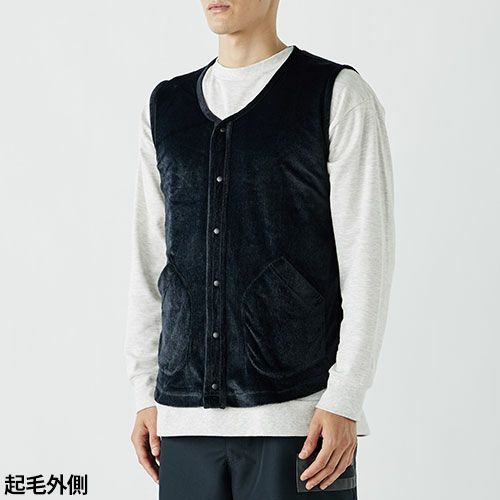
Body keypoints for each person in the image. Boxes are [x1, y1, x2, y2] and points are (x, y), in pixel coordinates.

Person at [124, 1, 395, 498]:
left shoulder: (335, 94)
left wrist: (345, 397)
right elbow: (150, 258)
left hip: (302, 421)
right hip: (181, 421)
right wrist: (145, 390)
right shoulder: (165, 107)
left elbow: (367, 257)